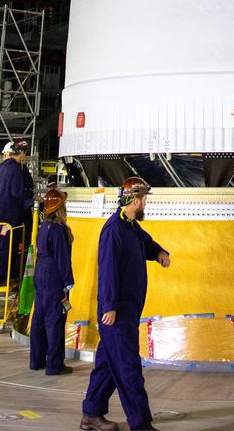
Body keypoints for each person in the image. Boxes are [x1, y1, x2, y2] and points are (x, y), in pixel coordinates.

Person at [80, 176, 170, 431]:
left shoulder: (130, 226)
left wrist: (159, 252)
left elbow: (146, 242)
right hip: (116, 313)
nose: (145, 204)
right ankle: (140, 423)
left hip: (129, 309)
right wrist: (109, 306)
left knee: (108, 365)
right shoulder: (114, 230)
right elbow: (107, 271)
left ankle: (91, 414)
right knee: (129, 366)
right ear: (135, 199)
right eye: (144, 199)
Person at [29, 185, 75, 377]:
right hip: (54, 276)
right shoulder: (57, 230)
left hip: (41, 273)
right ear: (59, 207)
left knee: (39, 319)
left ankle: (36, 360)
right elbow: (62, 257)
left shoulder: (43, 226)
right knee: (55, 320)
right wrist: (68, 282)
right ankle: (55, 365)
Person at [0, 139, 34, 287]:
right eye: (25, 153)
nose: (25, 157)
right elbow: (17, 192)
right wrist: (30, 194)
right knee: (4, 248)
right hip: (8, 217)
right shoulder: (16, 169)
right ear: (21, 153)